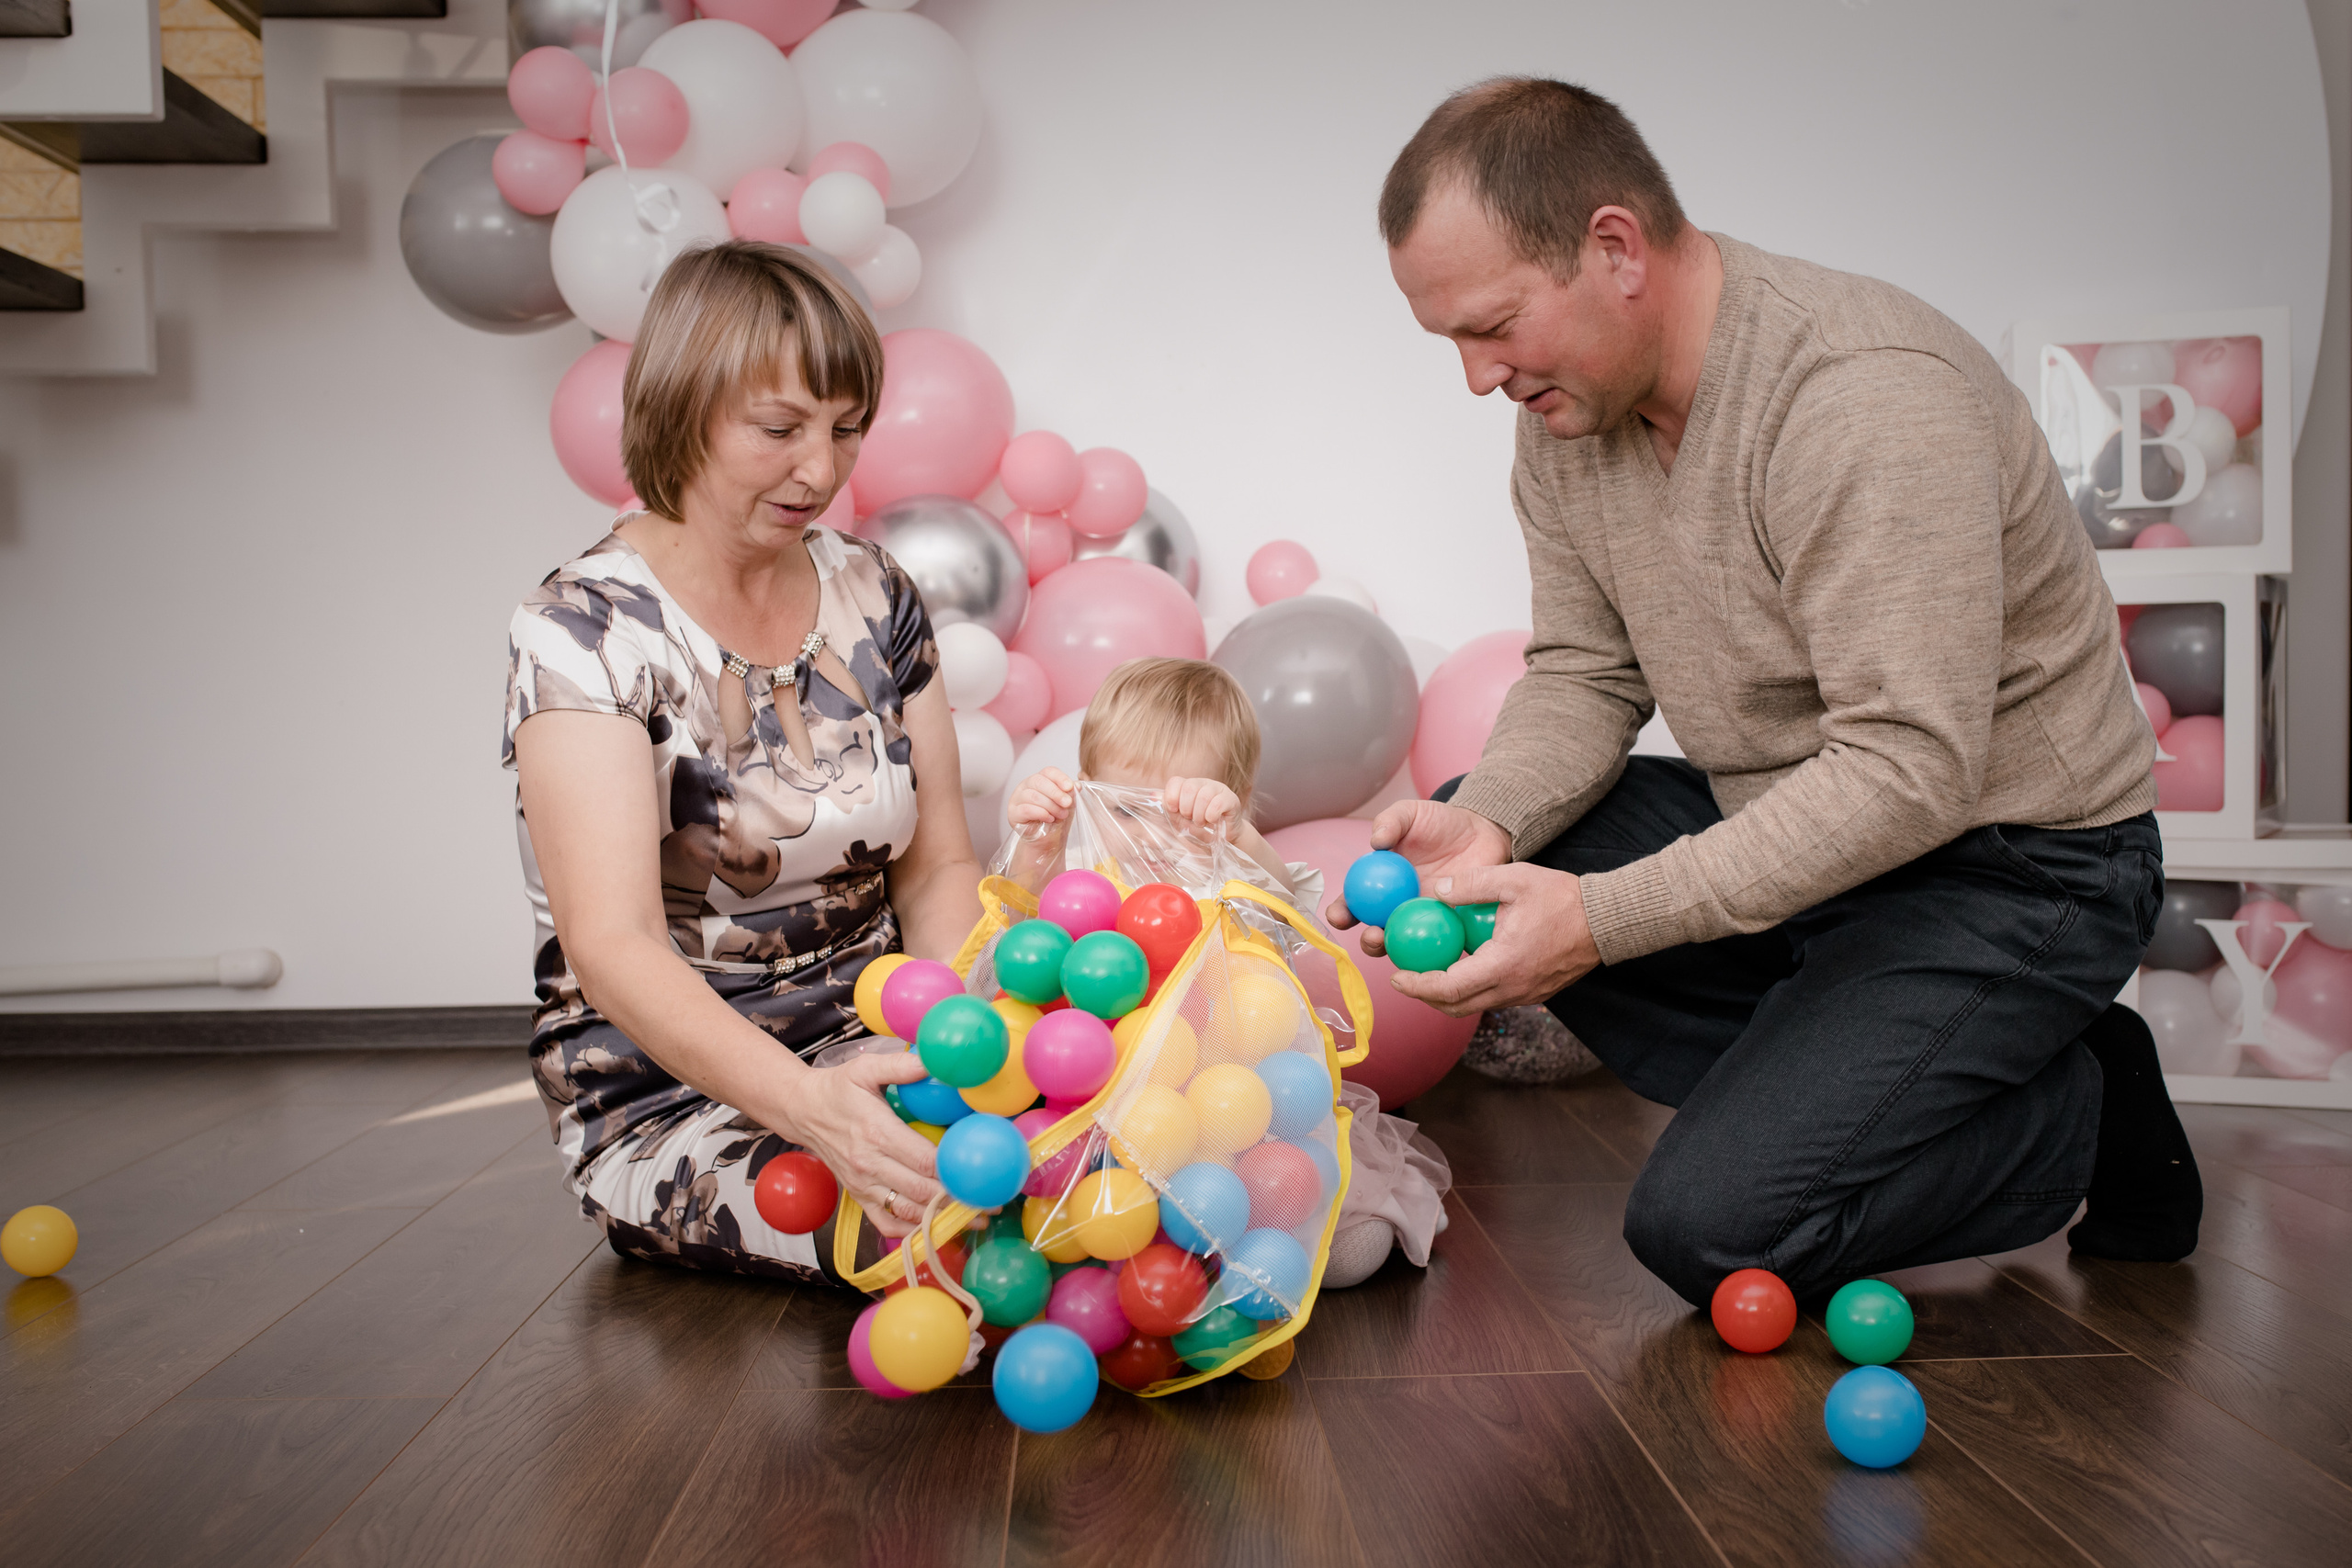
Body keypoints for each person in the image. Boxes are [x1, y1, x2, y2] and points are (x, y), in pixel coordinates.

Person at [1335, 78, 2199, 1307]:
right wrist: (1498, 825)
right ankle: (1871, 1063)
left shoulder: (1862, 397)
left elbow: (1909, 768)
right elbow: (1586, 667)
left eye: (1492, 326)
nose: (1480, 378)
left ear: (1614, 248)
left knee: (1709, 1227)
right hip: (1815, 839)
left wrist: (1599, 918)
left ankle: (2081, 1102)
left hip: (2016, 864)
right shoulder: (1569, 416)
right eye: (1455, 343)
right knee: (1486, 839)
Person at [503, 242, 980, 1282]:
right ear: (684, 407)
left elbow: (940, 864)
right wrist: (823, 1113)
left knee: (1104, 1157)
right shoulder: (581, 632)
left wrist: (952, 1046)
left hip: (884, 1038)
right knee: (952, 1232)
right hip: (680, 1097)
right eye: (780, 430)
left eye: (847, 431)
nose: (822, 471)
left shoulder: (876, 589)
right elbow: (612, 945)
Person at [1002, 657, 1453, 1283]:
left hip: (1240, 1118)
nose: (1152, 837)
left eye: (1176, 814)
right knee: (1047, 1208)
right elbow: (1016, 937)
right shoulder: (1079, 868)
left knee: (1351, 1253)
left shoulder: (1227, 873)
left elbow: (1294, 921)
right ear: (1087, 788)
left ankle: (1235, 1243)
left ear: (1233, 803)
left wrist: (1236, 838)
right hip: (1099, 1105)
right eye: (1128, 810)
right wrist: (1033, 844)